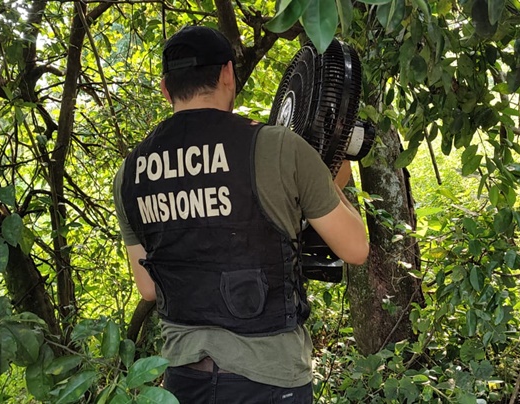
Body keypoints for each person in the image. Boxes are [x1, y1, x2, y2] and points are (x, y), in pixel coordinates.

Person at [112, 25, 368, 403]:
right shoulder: (278, 146)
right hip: (270, 378)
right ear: (228, 74)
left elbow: (149, 288)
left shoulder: (129, 172)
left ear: (166, 89)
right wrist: (320, 169)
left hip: (183, 379)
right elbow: (356, 249)